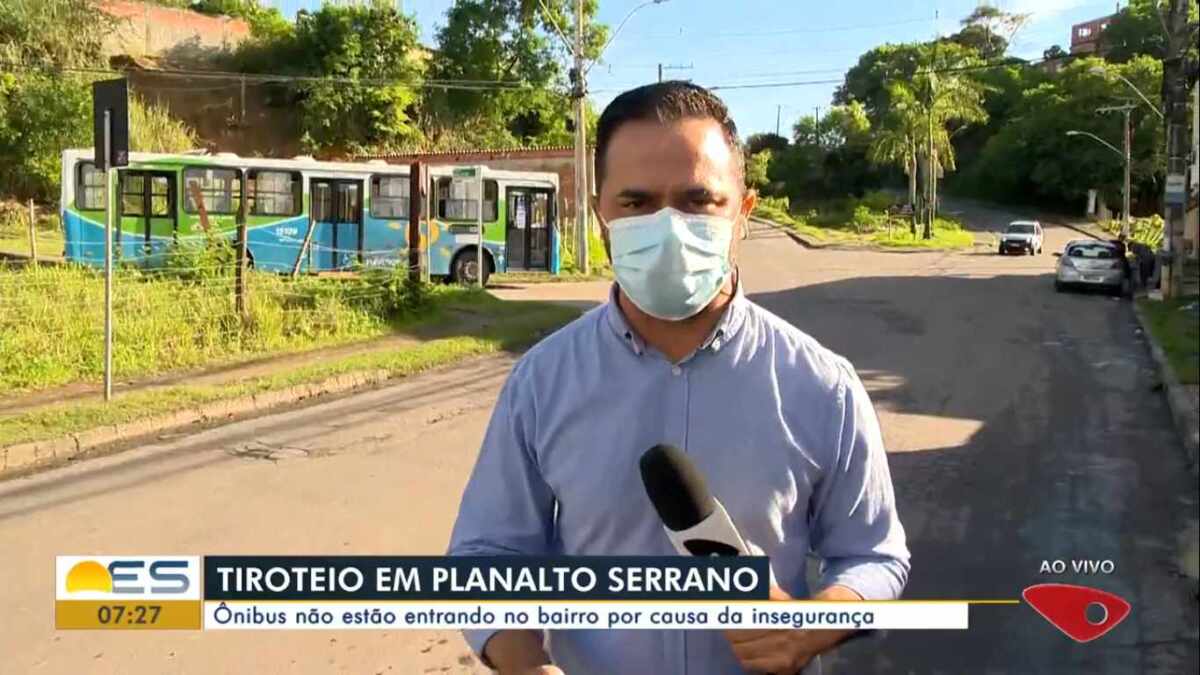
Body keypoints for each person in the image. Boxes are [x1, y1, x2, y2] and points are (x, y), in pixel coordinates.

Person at [447, 81, 910, 675]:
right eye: (637, 203)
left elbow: (873, 556)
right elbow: (489, 554)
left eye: (697, 201)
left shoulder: (822, 385)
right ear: (601, 217)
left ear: (744, 211)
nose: (668, 227)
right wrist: (524, 663)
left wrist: (813, 626)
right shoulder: (542, 382)